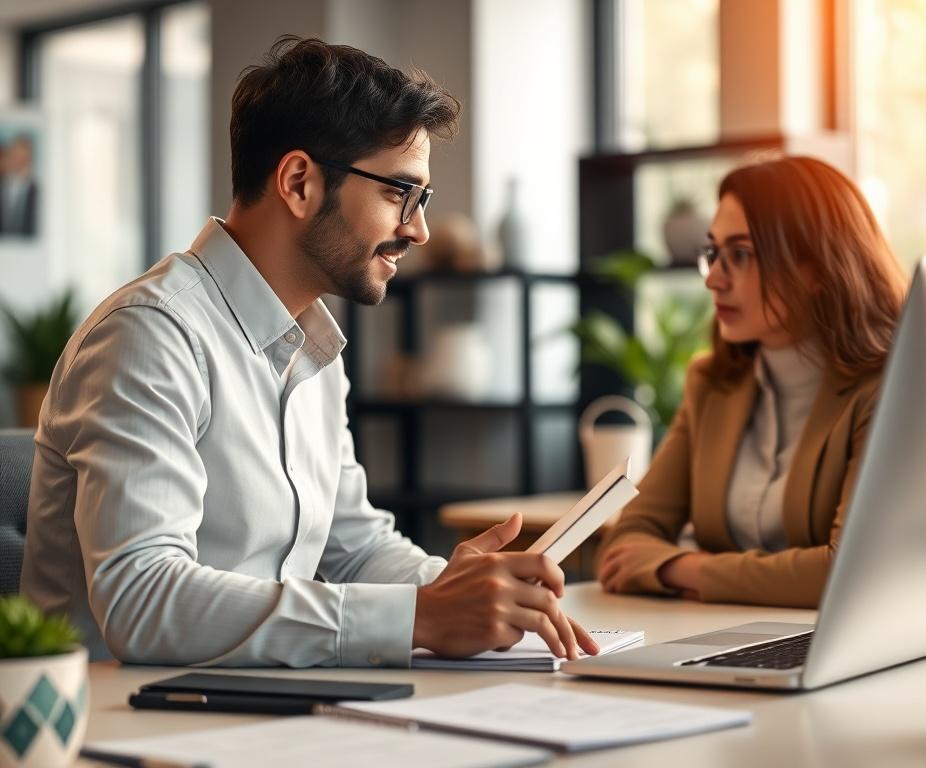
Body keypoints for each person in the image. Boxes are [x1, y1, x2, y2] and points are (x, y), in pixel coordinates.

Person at [21, 36, 600, 667]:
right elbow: (143, 599)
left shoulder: (311, 346)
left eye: (422, 200)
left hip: (262, 709)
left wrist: (457, 593)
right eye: (399, 193)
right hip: (127, 726)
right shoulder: (150, 335)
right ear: (299, 182)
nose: (419, 228)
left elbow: (350, 547)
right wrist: (419, 615)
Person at [596, 155, 907, 608]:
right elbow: (625, 546)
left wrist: (686, 568)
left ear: (818, 267)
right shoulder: (711, 384)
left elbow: (846, 574)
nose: (715, 280)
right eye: (713, 254)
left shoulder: (882, 390)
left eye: (740, 255)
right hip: (719, 634)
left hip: (830, 649)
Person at [0, 134, 39, 236]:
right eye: (15, 156)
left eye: (23, 157)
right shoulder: (2, 184)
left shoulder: (36, 190)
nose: (18, 161)